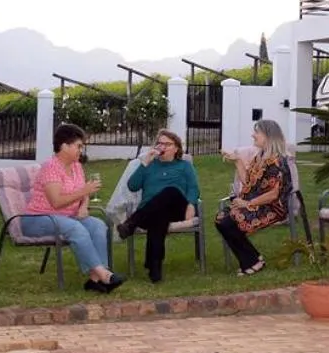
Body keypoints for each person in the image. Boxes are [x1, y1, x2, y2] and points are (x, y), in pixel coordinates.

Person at [20, 122, 123, 292]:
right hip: (37, 219)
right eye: (78, 146)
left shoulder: (76, 166)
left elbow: (84, 192)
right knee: (76, 228)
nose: (81, 150)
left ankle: (95, 280)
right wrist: (84, 191)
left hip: (67, 217)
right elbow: (56, 202)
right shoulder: (51, 167)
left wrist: (84, 205)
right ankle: (104, 274)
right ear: (64, 146)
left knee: (98, 225)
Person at [115, 128, 200, 284]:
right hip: (150, 213)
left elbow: (194, 188)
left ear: (176, 148)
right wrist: (145, 163)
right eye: (159, 143)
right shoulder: (149, 165)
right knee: (159, 217)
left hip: (178, 209)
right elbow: (132, 186)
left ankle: (130, 224)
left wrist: (191, 204)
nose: (162, 147)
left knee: (170, 191)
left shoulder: (184, 166)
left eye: (167, 144)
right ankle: (154, 268)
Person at [215, 119, 292, 277]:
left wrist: (248, 203)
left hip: (273, 207)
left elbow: (273, 194)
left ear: (268, 136)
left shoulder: (277, 161)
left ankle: (251, 261)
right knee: (221, 218)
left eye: (257, 132)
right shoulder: (260, 157)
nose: (253, 135)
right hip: (258, 204)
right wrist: (237, 161)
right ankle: (253, 259)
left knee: (230, 221)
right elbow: (249, 182)